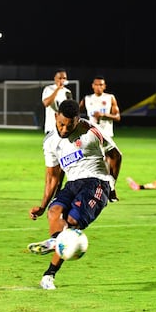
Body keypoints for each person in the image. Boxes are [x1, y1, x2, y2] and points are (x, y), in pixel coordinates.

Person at [28, 99, 122, 290]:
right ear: (56, 117)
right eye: (61, 124)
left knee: (71, 223)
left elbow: (115, 155)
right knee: (54, 213)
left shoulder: (91, 131)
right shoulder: (50, 141)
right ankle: (56, 244)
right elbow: (53, 177)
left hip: (96, 181)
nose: (64, 129)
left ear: (78, 120)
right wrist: (42, 205)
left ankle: (49, 273)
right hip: (72, 183)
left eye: (69, 126)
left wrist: (111, 184)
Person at [79, 75, 121, 202]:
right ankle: (108, 191)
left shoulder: (110, 98)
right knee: (99, 165)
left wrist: (103, 115)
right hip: (92, 136)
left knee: (112, 161)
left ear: (105, 86)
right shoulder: (87, 99)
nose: (99, 87)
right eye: (97, 84)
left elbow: (117, 116)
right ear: (92, 86)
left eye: (101, 85)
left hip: (107, 135)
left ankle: (110, 189)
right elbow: (76, 111)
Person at [42, 68, 72, 134]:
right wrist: (57, 89)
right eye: (60, 78)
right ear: (55, 78)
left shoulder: (67, 92)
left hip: (64, 128)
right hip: (51, 127)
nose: (62, 80)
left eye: (64, 78)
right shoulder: (48, 89)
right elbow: (46, 103)